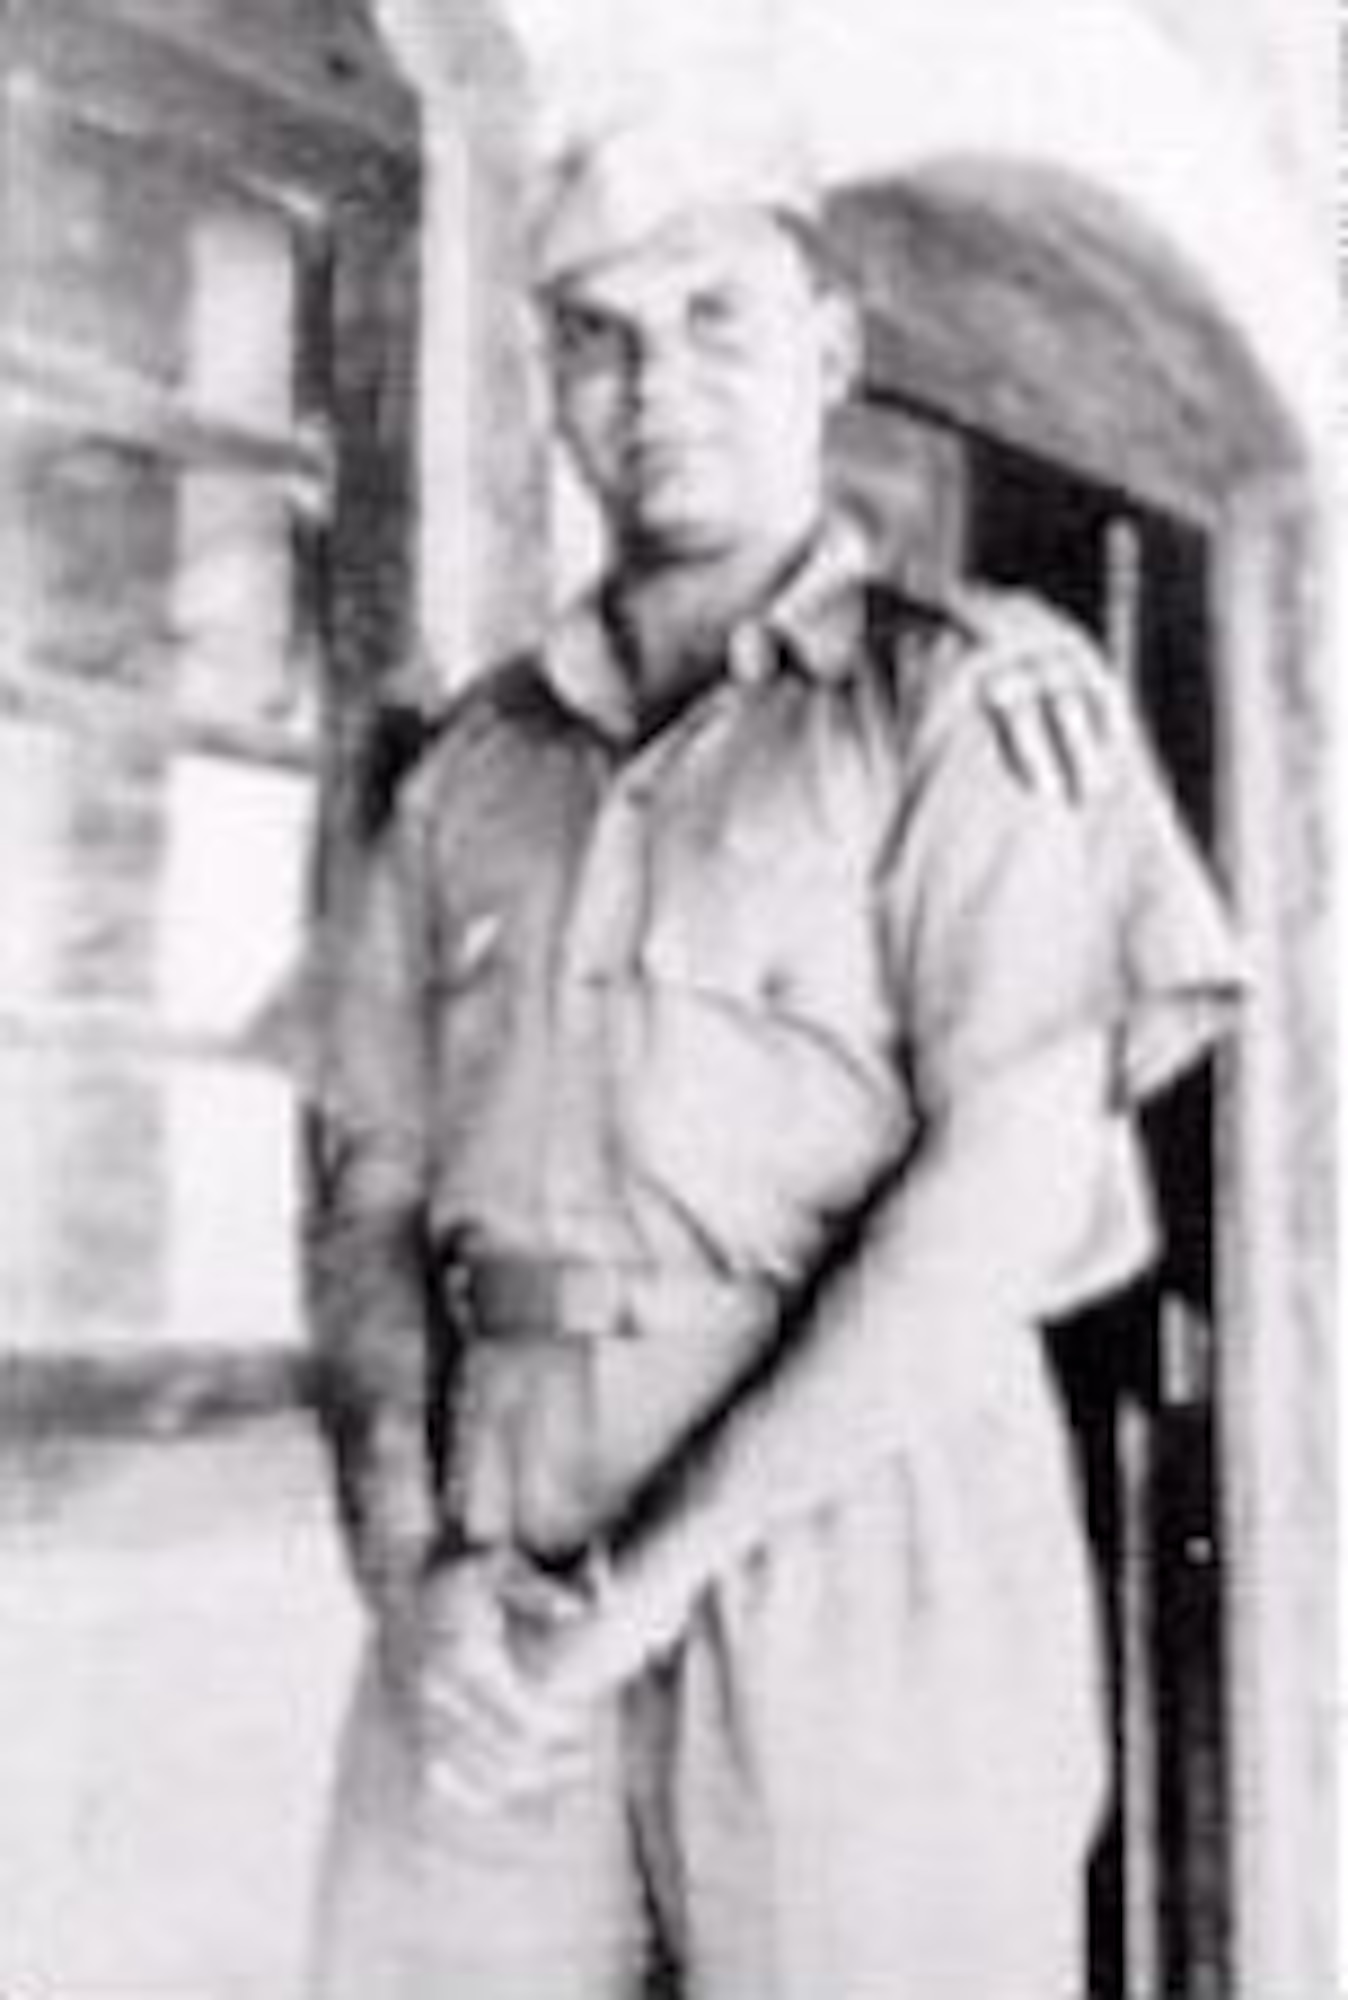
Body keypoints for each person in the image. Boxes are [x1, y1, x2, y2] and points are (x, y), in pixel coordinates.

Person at [303, 84, 1241, 2000]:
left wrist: (631, 1606)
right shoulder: (462, 776)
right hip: (492, 1562)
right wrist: (415, 1571)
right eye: (598, 338)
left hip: (852, 1543)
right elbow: (368, 1196)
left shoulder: (971, 712)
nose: (655, 384)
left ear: (826, 352)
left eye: (714, 318)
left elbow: (995, 1200)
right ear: (551, 384)